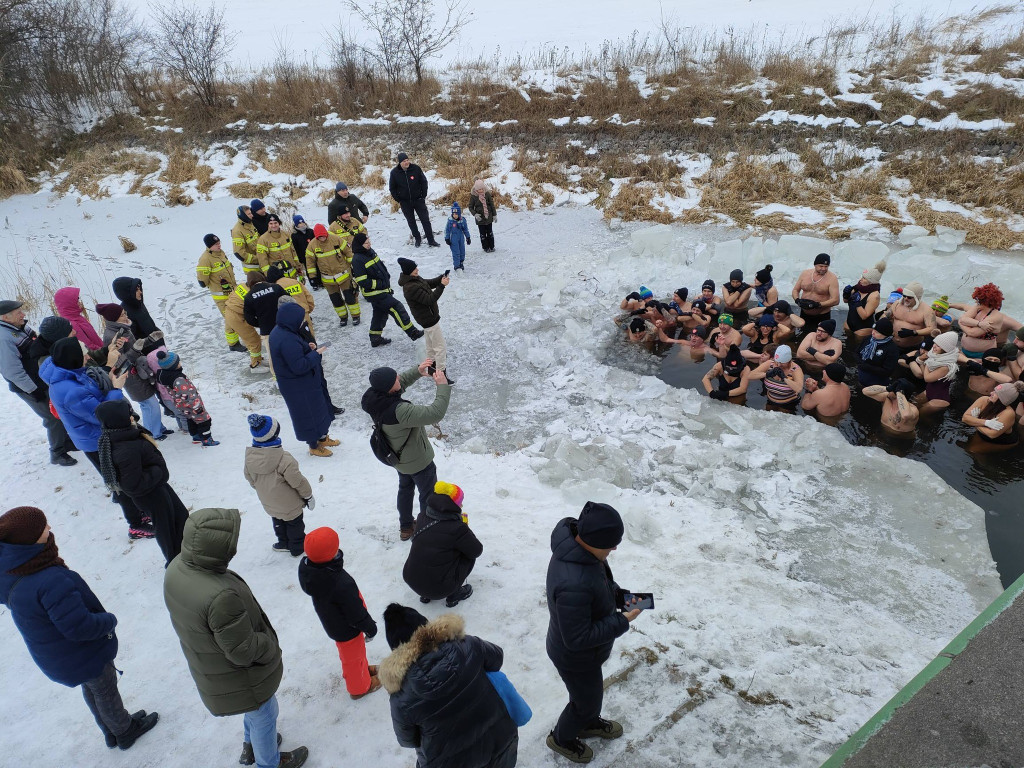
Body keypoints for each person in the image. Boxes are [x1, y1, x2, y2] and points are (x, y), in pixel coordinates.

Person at [0, 507, 159, 750]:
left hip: (58, 656)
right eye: (44, 527)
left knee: (93, 689)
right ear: (29, 540)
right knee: (105, 690)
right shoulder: (48, 580)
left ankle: (110, 730)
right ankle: (125, 731)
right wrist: (109, 620)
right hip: (81, 653)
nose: (50, 528)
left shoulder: (11, 569)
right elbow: (80, 628)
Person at [163, 507, 308, 768]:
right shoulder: (219, 596)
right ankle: (269, 762)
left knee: (252, 710)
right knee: (264, 713)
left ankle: (250, 747)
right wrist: (268, 645)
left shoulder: (177, 567)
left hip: (214, 668)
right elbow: (243, 651)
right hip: (241, 675)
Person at [546, 502, 642, 763]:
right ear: (595, 540)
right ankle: (562, 738)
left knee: (590, 696)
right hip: (575, 658)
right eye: (611, 543)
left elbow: (598, 585)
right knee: (585, 702)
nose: (615, 548)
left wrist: (620, 596)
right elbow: (577, 638)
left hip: (585, 655)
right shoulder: (573, 582)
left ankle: (586, 722)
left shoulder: (583, 554)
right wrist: (622, 620)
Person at [379, 604, 518, 768]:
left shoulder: (401, 697)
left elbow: (408, 740)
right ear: (425, 627)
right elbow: (497, 658)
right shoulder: (468, 645)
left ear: (396, 649)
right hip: (501, 739)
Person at [40, 338, 153, 538]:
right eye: (83, 354)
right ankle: (135, 525)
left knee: (124, 479)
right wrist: (116, 389)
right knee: (121, 483)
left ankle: (139, 511)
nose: (87, 356)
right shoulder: (70, 390)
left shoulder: (67, 373)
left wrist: (109, 380)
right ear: (73, 359)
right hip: (96, 441)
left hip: (96, 436)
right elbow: (102, 414)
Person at [360, 362, 451, 540]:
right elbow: (435, 413)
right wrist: (443, 386)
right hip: (418, 461)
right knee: (428, 496)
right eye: (395, 378)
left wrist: (417, 372)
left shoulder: (374, 398)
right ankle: (426, 529)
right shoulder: (400, 411)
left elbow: (396, 387)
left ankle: (406, 527)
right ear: (388, 387)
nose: (399, 378)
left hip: (398, 459)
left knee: (405, 489)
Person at [95, 399, 189, 566]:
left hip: (156, 487)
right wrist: (158, 471)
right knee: (167, 529)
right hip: (150, 494)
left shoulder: (123, 435)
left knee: (180, 516)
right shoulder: (126, 448)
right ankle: (175, 562)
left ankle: (186, 551)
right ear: (119, 419)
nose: (132, 416)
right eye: (128, 414)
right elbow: (132, 485)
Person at [298, 526, 381, 699]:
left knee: (354, 655)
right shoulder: (339, 582)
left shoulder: (313, 571)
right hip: (347, 629)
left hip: (334, 623)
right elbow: (354, 612)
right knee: (352, 659)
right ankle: (360, 687)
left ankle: (362, 671)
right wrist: (369, 627)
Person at [0, 300, 78, 466]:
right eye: (18, 312)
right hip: (29, 387)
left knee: (59, 411)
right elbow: (11, 370)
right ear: (5, 317)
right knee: (52, 418)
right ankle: (57, 453)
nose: (23, 314)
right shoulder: (4, 338)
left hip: (41, 380)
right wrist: (32, 390)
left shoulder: (20, 327)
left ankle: (66, 441)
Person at [268, 303, 338, 458]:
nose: (302, 322)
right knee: (309, 415)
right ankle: (314, 446)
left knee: (318, 410)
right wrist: (316, 353)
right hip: (298, 386)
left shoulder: (282, 331)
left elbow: (295, 354)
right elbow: (299, 366)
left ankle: (322, 438)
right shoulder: (286, 339)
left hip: (304, 383)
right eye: (300, 319)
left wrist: (308, 347)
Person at [94, 304, 176, 434]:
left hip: (140, 371)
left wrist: (149, 340)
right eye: (122, 315)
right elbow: (119, 362)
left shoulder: (124, 328)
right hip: (130, 376)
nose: (126, 316)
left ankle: (158, 428)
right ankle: (152, 433)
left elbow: (134, 346)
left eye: (125, 312)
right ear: (114, 318)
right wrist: (135, 350)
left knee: (150, 403)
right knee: (149, 405)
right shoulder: (112, 336)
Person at [244, 413, 315, 554]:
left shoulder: (250, 457)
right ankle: (297, 547)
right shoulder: (284, 459)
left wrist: (263, 489)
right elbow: (298, 481)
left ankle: (283, 542)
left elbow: (250, 478)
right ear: (275, 435)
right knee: (294, 524)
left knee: (278, 520)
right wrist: (308, 496)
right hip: (289, 504)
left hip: (268, 501)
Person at [403, 481, 481, 607]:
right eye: (460, 502)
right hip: (439, 590)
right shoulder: (457, 528)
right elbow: (477, 550)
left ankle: (425, 595)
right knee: (468, 554)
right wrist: (465, 528)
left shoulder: (422, 516)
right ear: (453, 505)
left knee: (430, 549)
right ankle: (454, 595)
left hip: (411, 578)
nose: (462, 504)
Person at [350, 233, 424, 347]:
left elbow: (379, 266)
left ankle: (375, 338)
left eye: (369, 241)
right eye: (366, 243)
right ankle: (412, 332)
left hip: (382, 289)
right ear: (360, 245)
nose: (369, 244)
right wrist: (380, 284)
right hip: (374, 292)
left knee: (380, 313)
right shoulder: (357, 259)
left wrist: (386, 277)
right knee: (396, 307)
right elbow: (362, 281)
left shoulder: (370, 251)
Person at [398, 258, 452, 379]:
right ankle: (441, 375)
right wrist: (442, 286)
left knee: (431, 346)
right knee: (440, 347)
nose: (417, 269)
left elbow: (429, 283)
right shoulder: (410, 287)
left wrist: (441, 278)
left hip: (427, 319)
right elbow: (429, 299)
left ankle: (432, 370)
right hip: (429, 320)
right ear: (408, 271)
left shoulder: (414, 279)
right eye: (414, 269)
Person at [151, 349, 218, 446]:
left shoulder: (166, 376)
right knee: (204, 420)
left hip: (182, 405)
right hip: (192, 405)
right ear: (173, 366)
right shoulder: (178, 379)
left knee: (191, 419)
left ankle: (196, 437)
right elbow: (187, 395)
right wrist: (197, 406)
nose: (180, 363)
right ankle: (207, 439)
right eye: (178, 362)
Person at [197, 234, 245, 353]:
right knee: (230, 318)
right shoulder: (205, 259)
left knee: (236, 315)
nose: (219, 245)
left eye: (219, 243)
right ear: (209, 246)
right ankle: (233, 343)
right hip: (221, 296)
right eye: (215, 244)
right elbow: (202, 281)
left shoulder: (221, 253)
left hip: (232, 291)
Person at [389, 152, 439, 247]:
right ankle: (417, 239)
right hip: (405, 202)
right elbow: (392, 188)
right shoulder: (394, 173)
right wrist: (399, 199)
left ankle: (431, 240)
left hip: (418, 200)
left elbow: (424, 182)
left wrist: (423, 195)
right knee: (411, 222)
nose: (407, 162)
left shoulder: (415, 168)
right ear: (400, 163)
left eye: (407, 160)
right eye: (404, 161)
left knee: (425, 220)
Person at [221, 279, 268, 372]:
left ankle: (258, 360)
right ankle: (255, 365)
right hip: (237, 317)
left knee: (254, 339)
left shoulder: (242, 285)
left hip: (230, 311)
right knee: (253, 340)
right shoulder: (253, 294)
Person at [908, 331, 959, 415]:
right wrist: (922, 361)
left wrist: (926, 362)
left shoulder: (946, 366)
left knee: (919, 416)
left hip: (939, 400)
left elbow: (927, 378)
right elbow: (926, 372)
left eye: (938, 345)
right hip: (929, 391)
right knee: (911, 406)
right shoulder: (935, 356)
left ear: (945, 349)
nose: (934, 346)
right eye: (935, 343)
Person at [961, 382, 1023, 452]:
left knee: (972, 451)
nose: (991, 393)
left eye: (996, 393)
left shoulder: (1008, 413)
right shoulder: (984, 400)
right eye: (994, 390)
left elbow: (992, 434)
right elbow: (965, 418)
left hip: (1001, 442)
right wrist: (984, 422)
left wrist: (975, 421)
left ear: (1002, 399)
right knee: (966, 447)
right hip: (983, 433)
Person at [791, 253, 839, 330]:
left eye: (826, 266)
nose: (823, 269)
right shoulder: (805, 274)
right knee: (803, 335)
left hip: (821, 315)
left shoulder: (832, 278)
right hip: (804, 314)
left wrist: (818, 305)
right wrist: (797, 300)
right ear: (815, 264)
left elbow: (836, 300)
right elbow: (795, 290)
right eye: (821, 266)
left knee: (820, 339)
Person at [749, 345, 804, 412]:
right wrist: (767, 374)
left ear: (789, 361)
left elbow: (799, 388)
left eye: (782, 363)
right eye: (777, 361)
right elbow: (749, 376)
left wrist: (784, 378)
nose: (778, 365)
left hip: (788, 403)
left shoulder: (795, 369)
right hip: (770, 400)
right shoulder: (770, 363)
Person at [959, 283, 1005, 361]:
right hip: (964, 350)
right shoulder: (978, 308)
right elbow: (963, 320)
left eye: (978, 299)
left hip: (982, 355)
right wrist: (979, 324)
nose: (976, 301)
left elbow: (972, 333)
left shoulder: (996, 316)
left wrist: (962, 323)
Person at [266, 264, 315, 337]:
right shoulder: (295, 282)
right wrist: (307, 311)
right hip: (303, 313)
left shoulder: (275, 288)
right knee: (310, 339)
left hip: (288, 319)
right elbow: (309, 297)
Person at [843, 262, 886, 342]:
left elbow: (864, 316)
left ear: (871, 281)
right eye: (862, 276)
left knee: (857, 350)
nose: (861, 279)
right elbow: (845, 301)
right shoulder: (858, 288)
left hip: (862, 328)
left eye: (864, 278)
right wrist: (846, 294)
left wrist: (858, 303)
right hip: (849, 323)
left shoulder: (874, 295)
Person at [887, 281, 935, 351]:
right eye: (904, 295)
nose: (906, 298)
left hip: (912, 347)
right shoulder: (897, 304)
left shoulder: (926, 310)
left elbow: (932, 329)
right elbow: (886, 315)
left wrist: (914, 332)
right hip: (892, 343)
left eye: (909, 297)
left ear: (917, 297)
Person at [53, 287, 104, 351]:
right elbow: (87, 347)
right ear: (69, 304)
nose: (79, 302)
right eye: (76, 300)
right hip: (98, 356)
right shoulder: (71, 324)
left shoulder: (76, 317)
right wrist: (106, 350)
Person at [257, 214, 302, 280]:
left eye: (275, 223)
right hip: (278, 276)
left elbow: (293, 253)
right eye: (271, 223)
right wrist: (269, 275)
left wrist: (299, 269)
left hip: (292, 274)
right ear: (268, 225)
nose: (274, 226)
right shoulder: (263, 239)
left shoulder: (286, 234)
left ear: (279, 223)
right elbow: (263, 261)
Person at [857, 318, 899, 387]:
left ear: (885, 334)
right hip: (862, 376)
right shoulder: (868, 339)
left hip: (877, 383)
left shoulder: (892, 349)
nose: (873, 332)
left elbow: (888, 371)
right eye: (873, 330)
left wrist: (867, 367)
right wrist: (860, 363)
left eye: (877, 332)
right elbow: (857, 352)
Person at [232, 204, 262, 276]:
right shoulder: (237, 231)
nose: (252, 215)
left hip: (261, 264)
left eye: (251, 213)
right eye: (249, 214)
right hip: (252, 269)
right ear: (243, 216)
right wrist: (257, 259)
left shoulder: (250, 224)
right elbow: (239, 253)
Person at [468, 178, 497, 252]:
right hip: (480, 219)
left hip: (489, 217)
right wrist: (475, 214)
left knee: (490, 233)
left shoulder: (487, 194)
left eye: (481, 189)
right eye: (478, 190)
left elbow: (491, 204)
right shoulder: (474, 196)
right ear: (475, 189)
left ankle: (492, 246)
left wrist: (494, 215)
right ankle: (485, 247)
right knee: (483, 234)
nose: (480, 191)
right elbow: (470, 207)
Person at [290, 215, 318, 288]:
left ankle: (320, 282)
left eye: (302, 222)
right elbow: (295, 248)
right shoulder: (294, 235)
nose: (302, 224)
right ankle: (313, 283)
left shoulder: (310, 231)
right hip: (304, 256)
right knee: (309, 270)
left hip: (315, 254)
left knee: (318, 267)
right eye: (299, 223)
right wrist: (299, 258)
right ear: (296, 225)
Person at [444, 202, 472, 272]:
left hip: (461, 237)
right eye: (453, 214)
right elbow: (447, 230)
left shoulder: (462, 220)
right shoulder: (450, 221)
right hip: (453, 238)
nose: (455, 215)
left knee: (462, 250)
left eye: (456, 214)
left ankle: (461, 262)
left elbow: (465, 229)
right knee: (456, 252)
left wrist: (468, 237)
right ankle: (457, 266)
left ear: (459, 214)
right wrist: (447, 238)